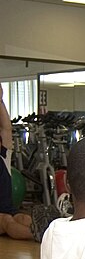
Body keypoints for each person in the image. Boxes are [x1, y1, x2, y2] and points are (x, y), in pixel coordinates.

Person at [0, 87, 58, 242]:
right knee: (7, 221)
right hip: (2, 217)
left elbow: (6, 129)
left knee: (23, 218)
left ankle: (54, 235)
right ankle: (43, 237)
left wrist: (0, 100)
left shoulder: (3, 158)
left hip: (8, 210)